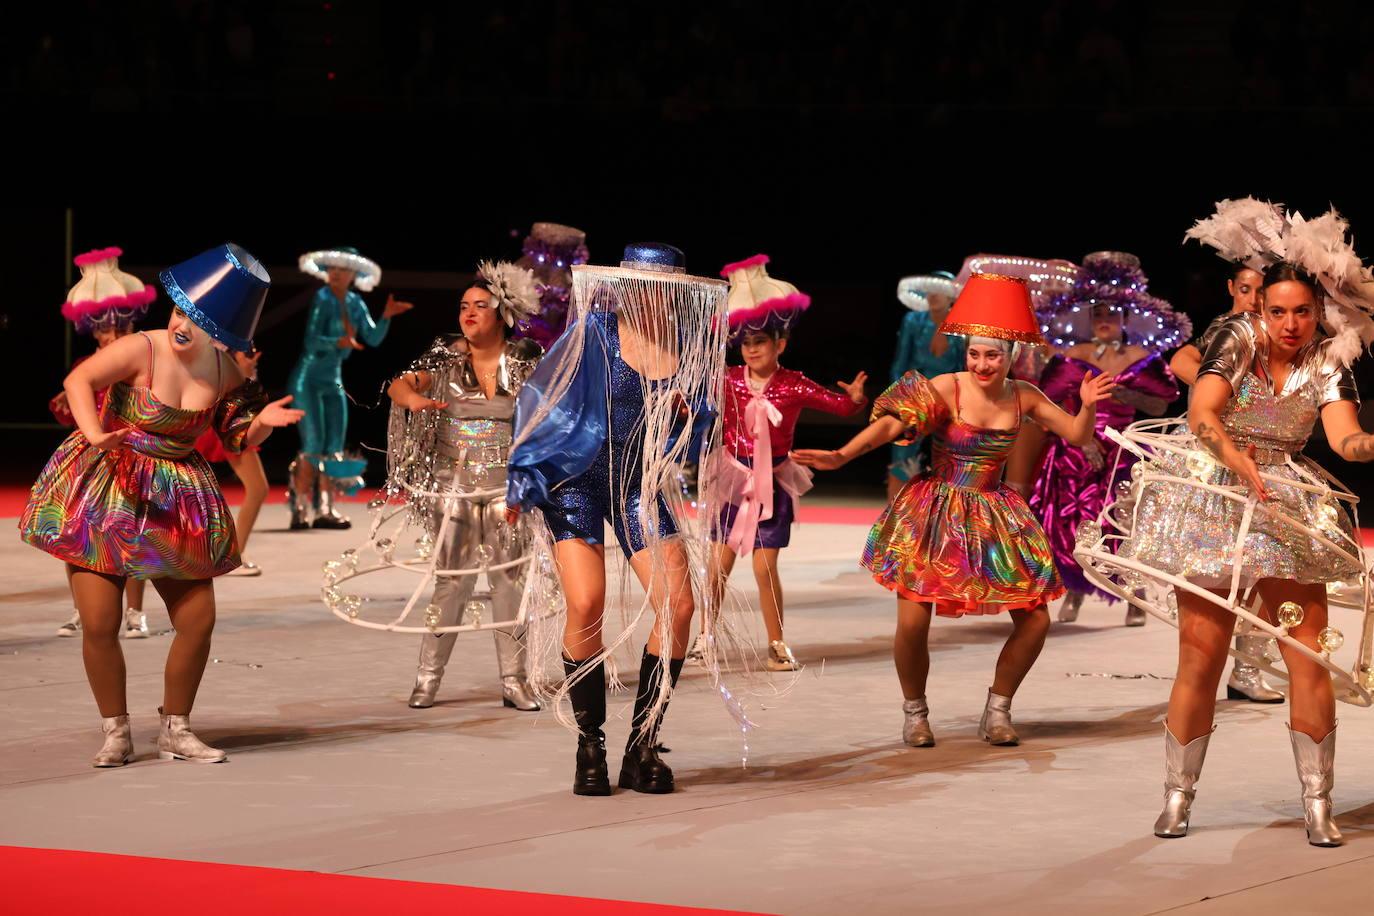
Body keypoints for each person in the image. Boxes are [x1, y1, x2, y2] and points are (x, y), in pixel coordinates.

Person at [1109, 200, 1374, 846]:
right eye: (1277, 310)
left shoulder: (1328, 361)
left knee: (1306, 658)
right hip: (1217, 498)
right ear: (1259, 308)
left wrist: (1370, 446)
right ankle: (1177, 797)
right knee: (1200, 658)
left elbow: (1345, 442)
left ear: (1320, 314)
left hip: (1285, 506)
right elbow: (1203, 413)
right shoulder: (1236, 338)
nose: (1288, 323)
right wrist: (1232, 455)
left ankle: (1317, 803)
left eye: (1301, 312)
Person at [794, 274, 1116, 748]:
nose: (982, 363)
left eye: (993, 355)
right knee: (912, 621)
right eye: (974, 353)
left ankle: (999, 708)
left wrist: (1086, 406)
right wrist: (841, 456)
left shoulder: (1024, 394)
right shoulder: (947, 386)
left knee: (1036, 619)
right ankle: (915, 712)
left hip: (994, 516)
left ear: (1011, 356)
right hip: (935, 513)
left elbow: (1077, 435)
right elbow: (889, 427)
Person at [20, 243, 303, 767]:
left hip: (176, 498)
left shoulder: (226, 374)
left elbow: (235, 437)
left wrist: (263, 423)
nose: (180, 323)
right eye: (178, 308)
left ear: (219, 330)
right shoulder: (142, 349)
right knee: (101, 621)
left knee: (198, 620)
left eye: (196, 317)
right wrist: (94, 432)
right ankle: (116, 731)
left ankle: (176, 728)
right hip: (108, 486)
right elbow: (78, 380)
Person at [506, 242, 727, 796]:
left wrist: (685, 418)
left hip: (637, 485)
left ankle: (642, 745)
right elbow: (540, 398)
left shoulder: (690, 351)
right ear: (627, 285)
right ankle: (591, 745)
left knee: (679, 606)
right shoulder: (594, 333)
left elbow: (692, 438)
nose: (649, 295)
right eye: (641, 284)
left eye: (660, 287)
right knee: (586, 603)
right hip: (574, 482)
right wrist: (523, 476)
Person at [385, 261, 543, 711]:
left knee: (509, 581)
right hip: (451, 485)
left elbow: (552, 411)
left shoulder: (526, 358)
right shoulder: (445, 357)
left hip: (506, 487)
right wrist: (413, 397)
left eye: (480, 306)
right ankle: (428, 678)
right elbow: (400, 384)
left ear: (503, 313)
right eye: (463, 306)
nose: (469, 313)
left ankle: (514, 680)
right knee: (451, 584)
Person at [701, 254, 866, 671]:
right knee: (718, 565)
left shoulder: (793, 384)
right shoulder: (727, 379)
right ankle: (705, 634)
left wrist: (855, 400)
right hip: (733, 479)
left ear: (781, 344)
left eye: (761, 342)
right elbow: (696, 405)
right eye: (746, 343)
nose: (752, 349)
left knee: (764, 566)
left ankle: (776, 643)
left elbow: (841, 407)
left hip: (772, 483)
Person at [1028, 251, 1185, 625]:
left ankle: (1135, 595)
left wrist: (1128, 396)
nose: (1103, 321)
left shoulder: (1143, 357)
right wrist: (1081, 440)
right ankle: (1076, 591)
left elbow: (1163, 405)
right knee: (1071, 523)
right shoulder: (1071, 356)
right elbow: (1044, 402)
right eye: (1097, 314)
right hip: (1075, 448)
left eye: (1111, 314)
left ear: (1125, 318)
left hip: (1125, 450)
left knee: (1124, 523)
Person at [49, 246, 158, 638]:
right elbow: (75, 409)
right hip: (90, 458)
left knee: (132, 535)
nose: (110, 335)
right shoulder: (84, 367)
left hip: (129, 455)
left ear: (129, 326)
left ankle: (135, 612)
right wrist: (65, 404)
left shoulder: (138, 362)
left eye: (118, 328)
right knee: (74, 533)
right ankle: (83, 608)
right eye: (102, 328)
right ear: (91, 329)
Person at [288, 246, 413, 529]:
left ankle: (326, 508)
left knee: (333, 445)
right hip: (308, 377)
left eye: (342, 270)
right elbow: (311, 340)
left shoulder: (356, 303)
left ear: (353, 274)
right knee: (312, 444)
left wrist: (387, 316)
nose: (335, 273)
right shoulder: (322, 298)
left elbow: (373, 337)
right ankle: (299, 506)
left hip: (332, 378)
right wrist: (338, 342)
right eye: (332, 268)